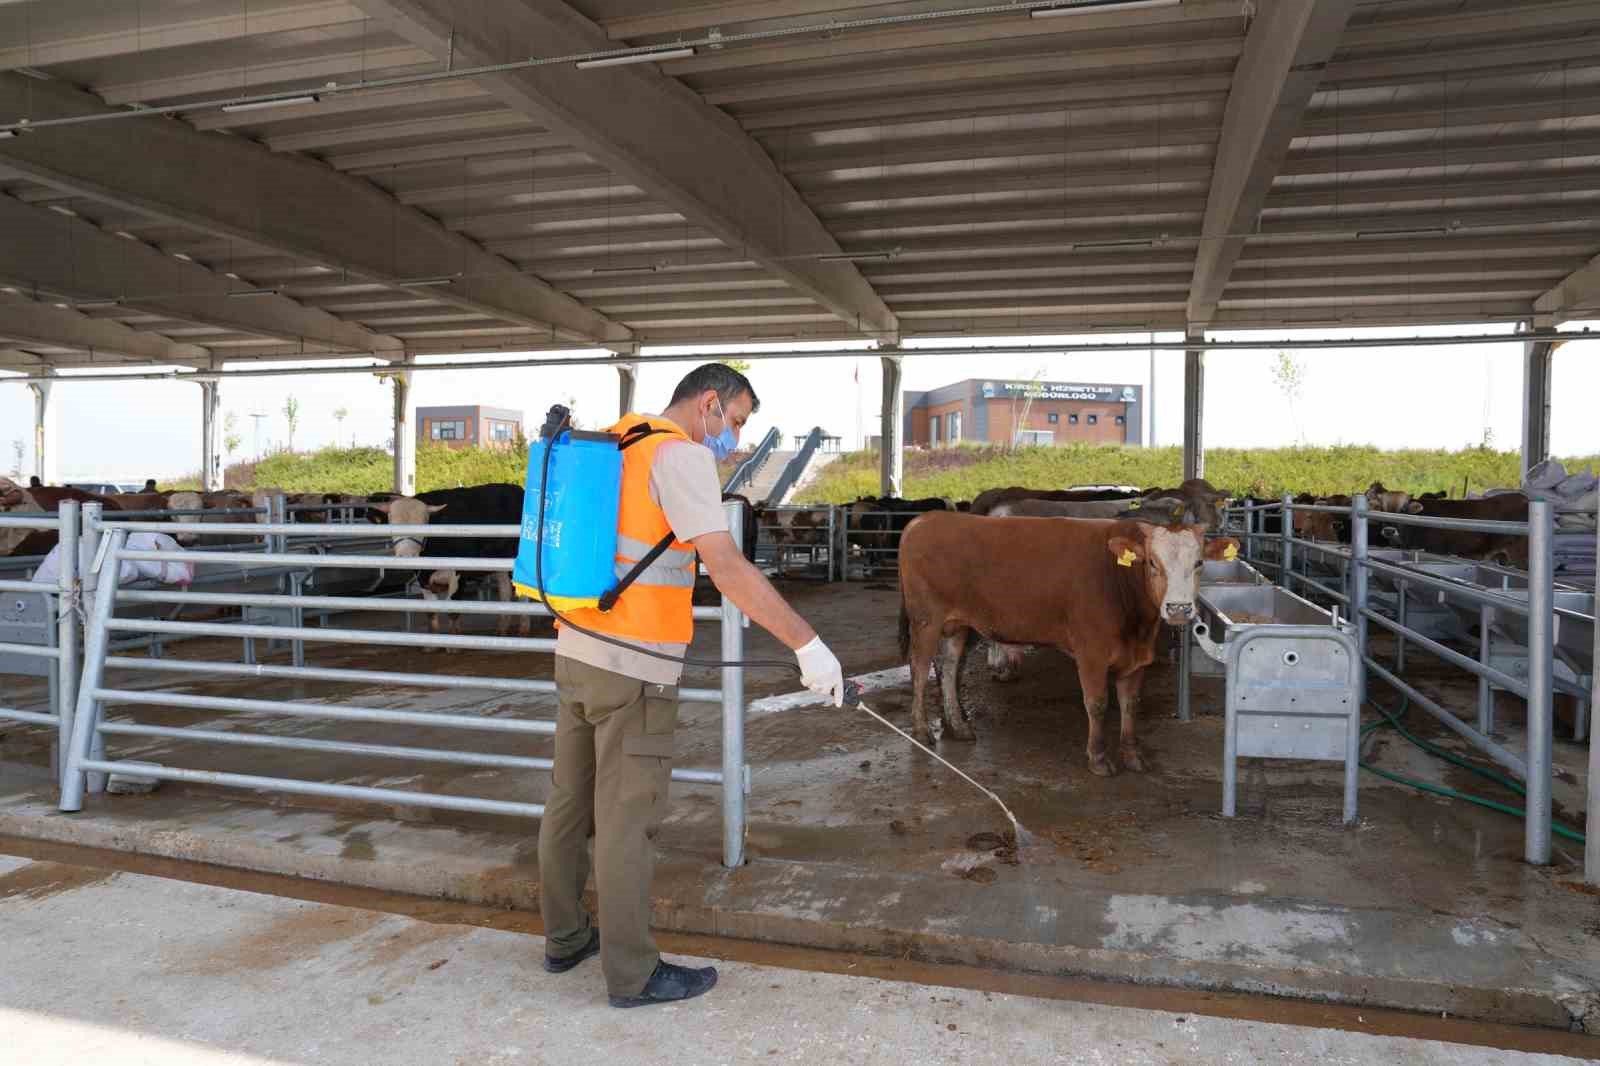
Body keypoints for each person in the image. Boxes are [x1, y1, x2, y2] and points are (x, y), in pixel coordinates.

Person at [538, 362, 844, 1009]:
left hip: (576, 651)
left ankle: (566, 937)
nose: (731, 438)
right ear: (710, 403)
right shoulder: (679, 458)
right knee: (628, 822)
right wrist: (805, 643)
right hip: (634, 669)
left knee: (569, 803)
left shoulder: (618, 439)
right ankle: (633, 975)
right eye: (733, 423)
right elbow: (726, 567)